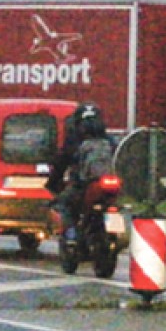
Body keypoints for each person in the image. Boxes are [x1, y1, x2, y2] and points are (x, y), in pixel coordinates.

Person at [46, 102, 114, 240]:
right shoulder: (109, 140)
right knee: (116, 206)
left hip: (83, 186)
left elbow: (61, 163)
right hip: (111, 188)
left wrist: (52, 183)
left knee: (64, 204)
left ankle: (71, 237)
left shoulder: (73, 140)